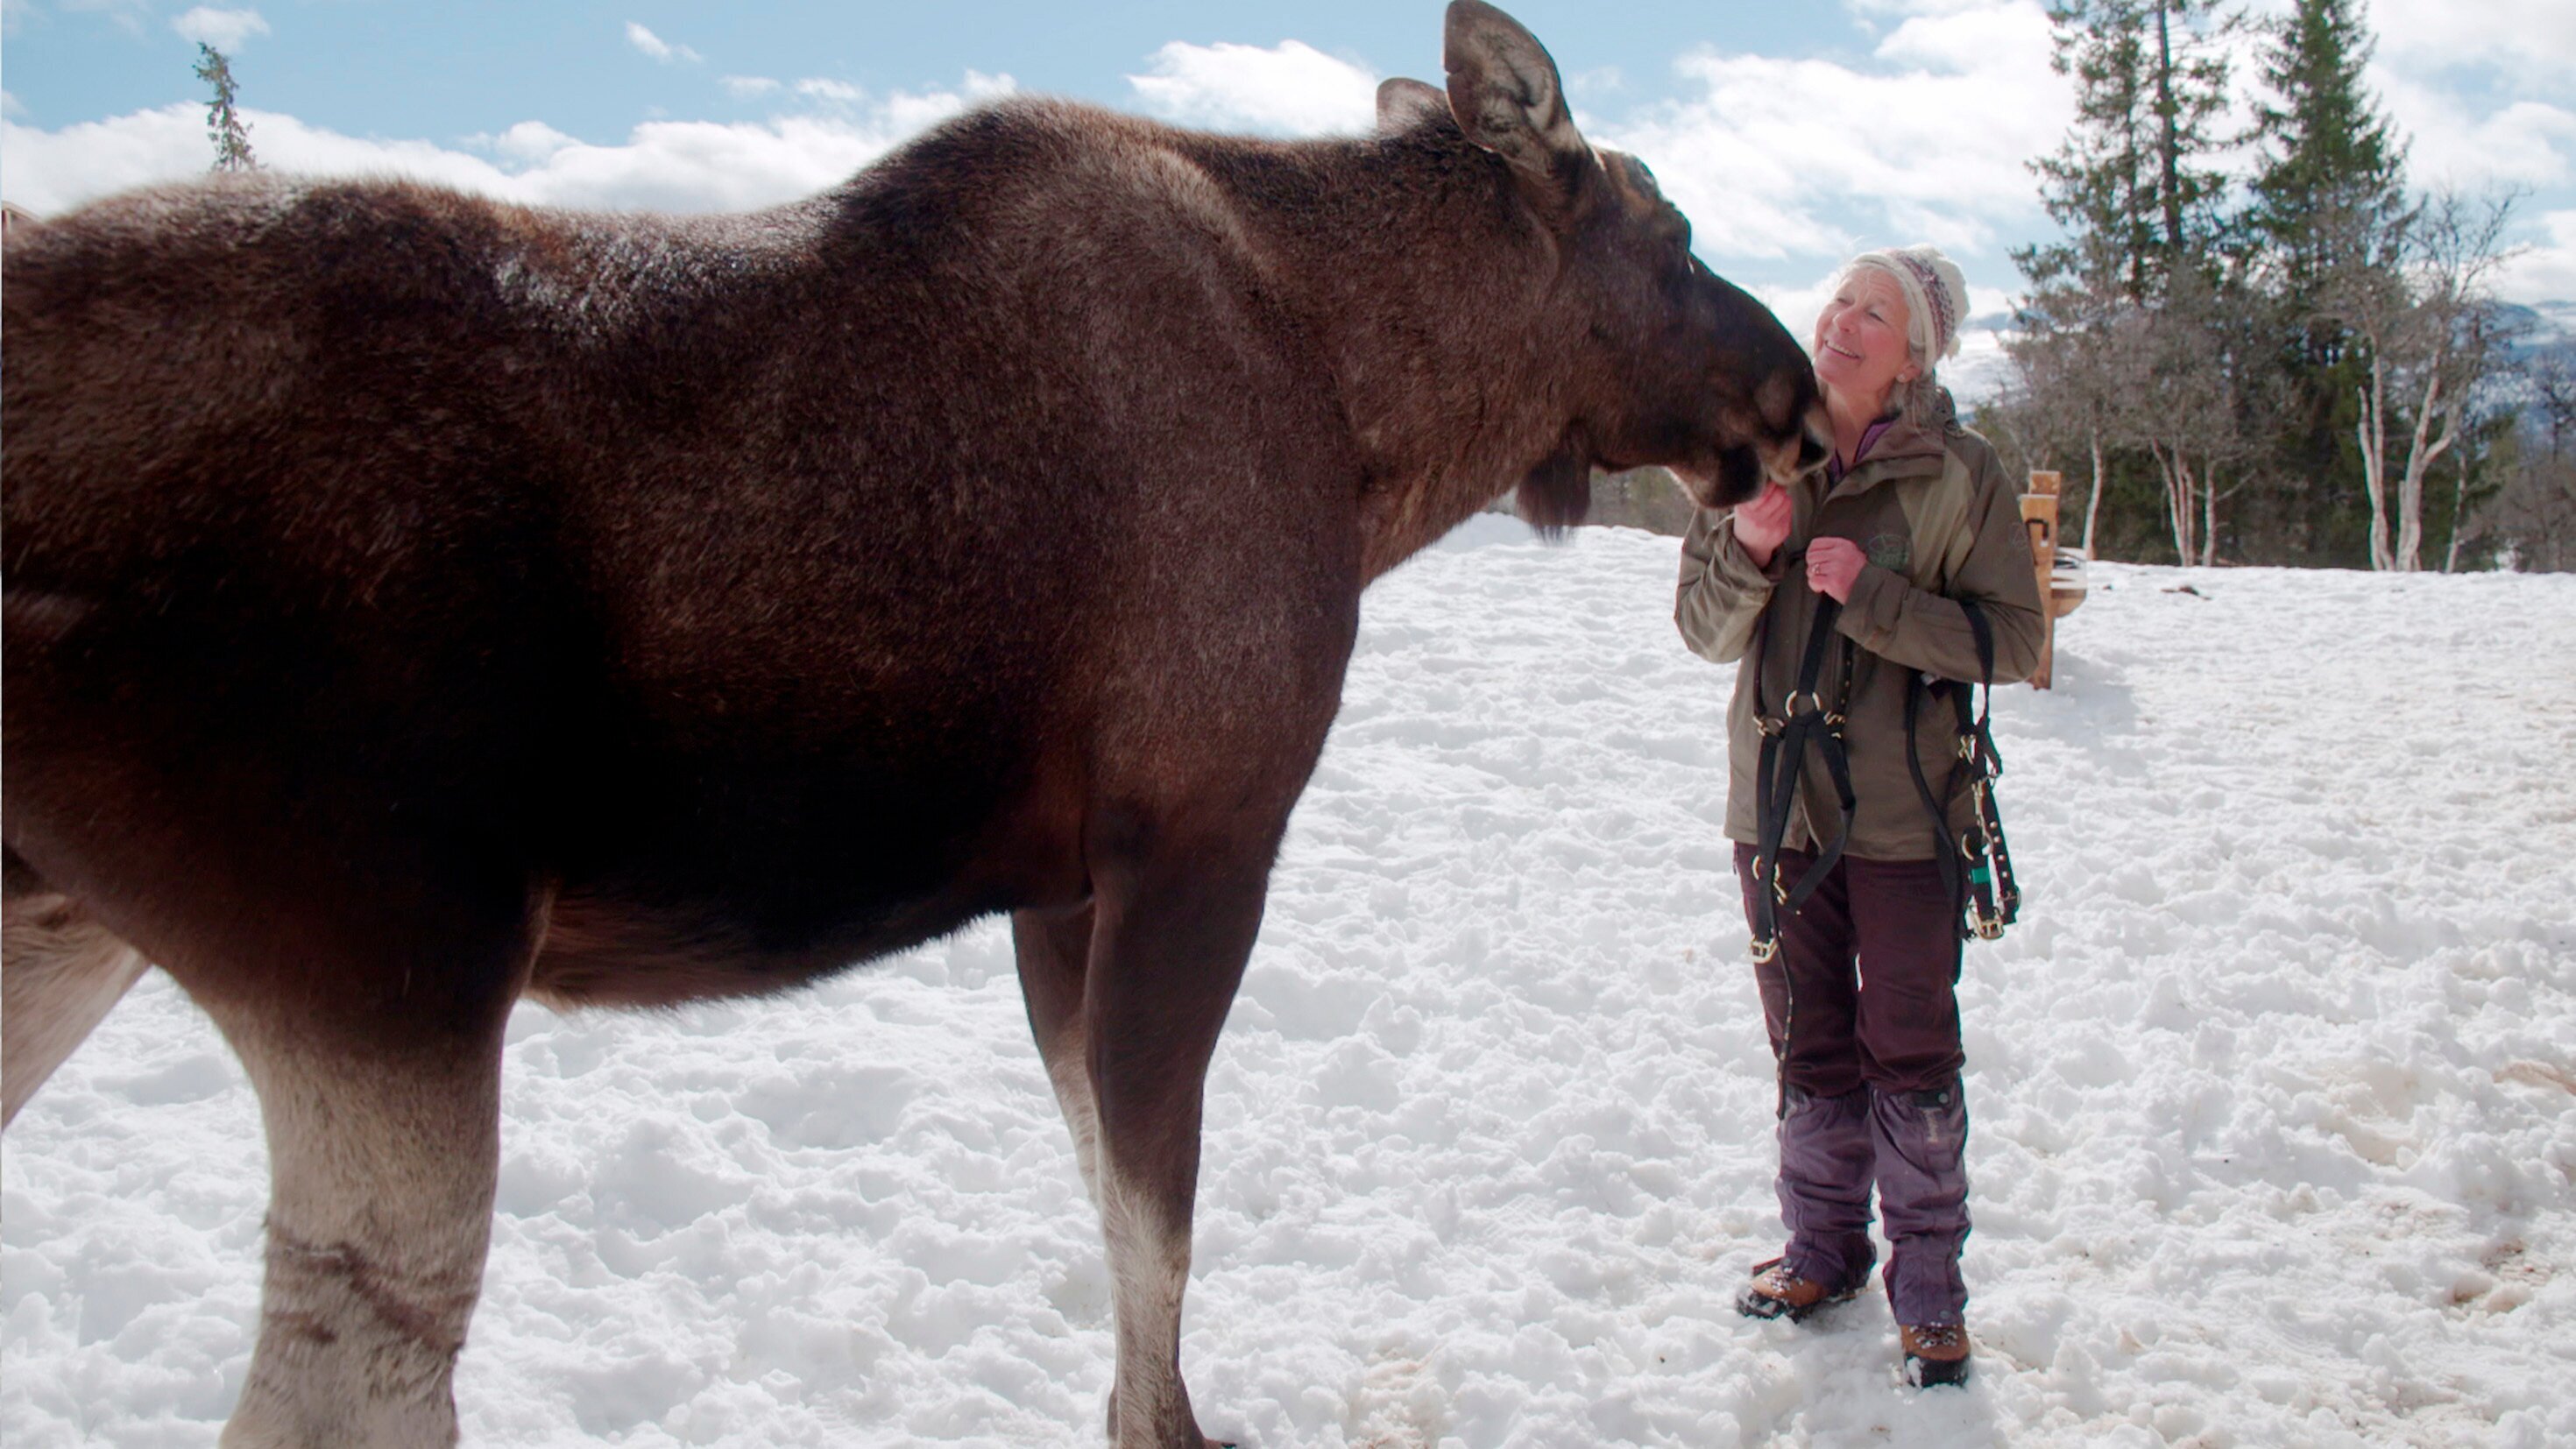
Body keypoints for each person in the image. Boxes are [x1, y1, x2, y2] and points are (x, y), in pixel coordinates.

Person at [1673, 244, 2044, 1386]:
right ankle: (1823, 1249)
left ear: (1915, 353)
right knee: (1810, 1044)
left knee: (1913, 1051)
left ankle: (1929, 1293)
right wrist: (1748, 550)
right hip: (1774, 814)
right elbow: (1701, 626)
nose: (1842, 320)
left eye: (1874, 312)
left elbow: (2016, 643)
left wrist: (1872, 597)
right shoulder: (1750, 454)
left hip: (1904, 819)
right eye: (1841, 298)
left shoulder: (1960, 474)